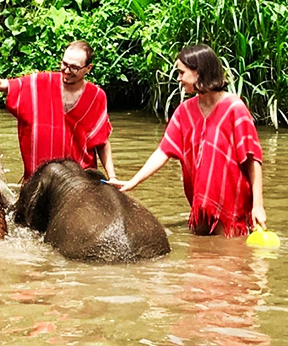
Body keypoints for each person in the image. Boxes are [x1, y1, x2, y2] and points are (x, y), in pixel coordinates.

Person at [111, 45, 267, 237]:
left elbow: (253, 159)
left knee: (230, 258)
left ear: (199, 72)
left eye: (181, 72)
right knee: (199, 260)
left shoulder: (234, 108)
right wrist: (133, 182)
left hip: (232, 209)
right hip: (199, 208)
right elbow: (163, 151)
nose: (178, 79)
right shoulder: (184, 111)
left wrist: (258, 206)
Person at [0, 40, 116, 182]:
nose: (66, 71)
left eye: (74, 68)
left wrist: (112, 177)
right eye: (64, 64)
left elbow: (101, 140)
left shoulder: (96, 96)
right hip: (39, 181)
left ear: (88, 68)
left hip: (79, 182)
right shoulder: (38, 84)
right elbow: (1, 85)